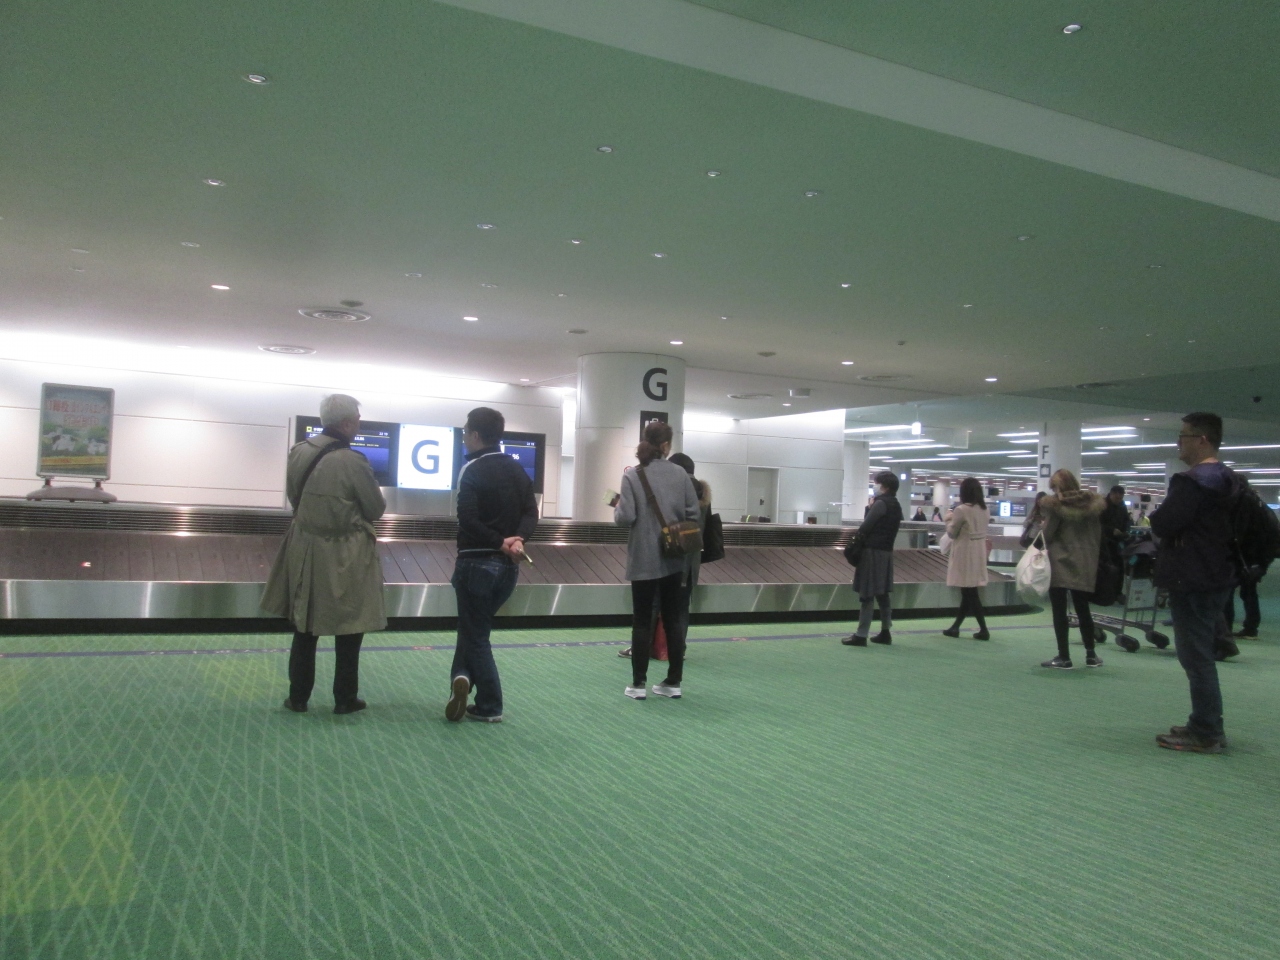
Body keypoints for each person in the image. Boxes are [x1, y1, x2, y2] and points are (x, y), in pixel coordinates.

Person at [263, 394, 386, 714]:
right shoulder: (353, 461)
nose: (358, 424)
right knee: (350, 625)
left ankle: (298, 697)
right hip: (346, 551)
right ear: (345, 424)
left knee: (304, 625)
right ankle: (345, 698)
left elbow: (295, 498)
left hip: (305, 548)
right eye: (356, 419)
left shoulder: (299, 452)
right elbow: (375, 508)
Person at [1151, 412, 1239, 753]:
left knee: (1196, 656)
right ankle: (1203, 721)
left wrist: (1158, 516)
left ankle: (1207, 731)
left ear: (1202, 439)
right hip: (1217, 574)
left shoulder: (1193, 482)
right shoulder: (1229, 479)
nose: (1179, 442)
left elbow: (1164, 523)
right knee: (1200, 652)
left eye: (1184, 435)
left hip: (1192, 576)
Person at [445, 406, 539, 723]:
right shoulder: (517, 470)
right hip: (508, 569)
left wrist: (499, 541)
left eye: (464, 432)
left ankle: (489, 704)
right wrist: (518, 540)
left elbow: (467, 519)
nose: (463, 438)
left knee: (476, 636)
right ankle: (461, 677)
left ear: (475, 435)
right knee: (475, 628)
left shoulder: (471, 469)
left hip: (475, 564)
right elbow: (531, 513)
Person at [615, 420, 700, 700]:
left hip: (643, 558)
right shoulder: (681, 475)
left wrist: (618, 507)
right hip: (674, 557)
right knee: (673, 618)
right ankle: (673, 681)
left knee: (642, 620)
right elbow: (693, 513)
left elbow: (625, 517)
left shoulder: (633, 475)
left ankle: (638, 684)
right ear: (666, 445)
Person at [617, 452, 712, 659]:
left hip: (667, 555)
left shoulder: (677, 488)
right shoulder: (701, 493)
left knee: (653, 604)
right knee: (681, 607)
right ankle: (677, 649)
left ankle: (642, 648)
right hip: (691, 559)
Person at [1037, 469, 1106, 669]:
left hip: (1060, 561)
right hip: (1084, 562)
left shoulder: (1056, 506)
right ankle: (1091, 655)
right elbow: (1097, 536)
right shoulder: (1092, 506)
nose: (1054, 491)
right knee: (1083, 609)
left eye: (1054, 488)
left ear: (1059, 487)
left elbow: (1047, 535)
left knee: (1059, 610)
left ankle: (1064, 657)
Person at [842, 471, 903, 646]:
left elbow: (865, 526)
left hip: (872, 552)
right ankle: (885, 631)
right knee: (882, 594)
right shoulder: (896, 504)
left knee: (867, 593)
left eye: (876, 483)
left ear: (885, 486)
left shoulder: (880, 503)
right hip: (886, 552)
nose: (874, 486)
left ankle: (861, 634)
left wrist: (869, 508)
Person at [942, 477, 991, 641]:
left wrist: (948, 519)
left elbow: (951, 533)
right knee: (969, 590)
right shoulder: (984, 509)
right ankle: (955, 627)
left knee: (969, 592)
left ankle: (983, 629)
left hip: (965, 553)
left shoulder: (961, 510)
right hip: (978, 552)